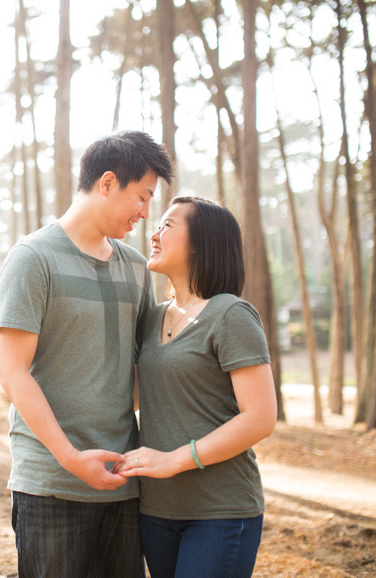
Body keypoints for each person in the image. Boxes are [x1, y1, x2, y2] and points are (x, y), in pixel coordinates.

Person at [0, 130, 174, 577]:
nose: (145, 213)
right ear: (108, 183)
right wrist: (71, 458)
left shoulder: (135, 267)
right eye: (142, 196)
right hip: (51, 484)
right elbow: (13, 375)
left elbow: (146, 367)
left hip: (122, 484)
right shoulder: (33, 259)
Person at [116, 196, 278, 578]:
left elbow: (260, 418)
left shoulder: (231, 315)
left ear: (200, 243)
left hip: (220, 511)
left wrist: (173, 460)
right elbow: (138, 398)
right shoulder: (153, 317)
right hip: (156, 510)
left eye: (168, 225)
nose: (153, 233)